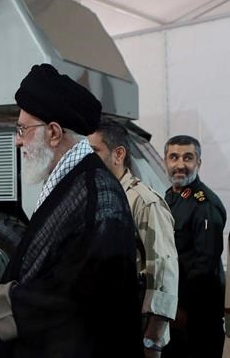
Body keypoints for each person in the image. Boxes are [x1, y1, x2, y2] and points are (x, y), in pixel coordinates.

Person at [0, 64, 142, 358]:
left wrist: (2, 298)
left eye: (22, 129)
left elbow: (79, 298)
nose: (17, 140)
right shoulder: (75, 182)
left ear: (54, 133)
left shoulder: (96, 195)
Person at [89, 118, 179, 358]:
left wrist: (153, 338)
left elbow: (164, 268)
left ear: (118, 154)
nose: (86, 159)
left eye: (94, 151)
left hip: (137, 324)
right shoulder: (97, 196)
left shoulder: (144, 201)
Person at [161, 135, 226, 358]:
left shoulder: (204, 204)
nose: (180, 165)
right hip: (174, 307)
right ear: (165, 161)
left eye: (188, 158)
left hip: (196, 314)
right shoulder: (171, 196)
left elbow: (204, 266)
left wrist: (183, 307)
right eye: (174, 157)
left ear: (198, 162)